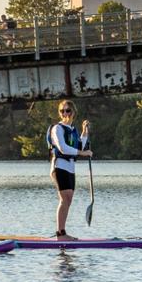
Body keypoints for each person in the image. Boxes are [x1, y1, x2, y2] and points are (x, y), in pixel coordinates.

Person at [46, 100, 92, 239]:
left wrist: (84, 132)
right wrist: (83, 153)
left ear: (73, 112)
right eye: (62, 111)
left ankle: (62, 232)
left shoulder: (73, 130)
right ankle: (60, 234)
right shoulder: (57, 129)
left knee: (69, 200)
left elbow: (79, 146)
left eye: (68, 111)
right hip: (59, 166)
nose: (65, 113)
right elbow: (63, 148)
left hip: (70, 168)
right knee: (64, 200)